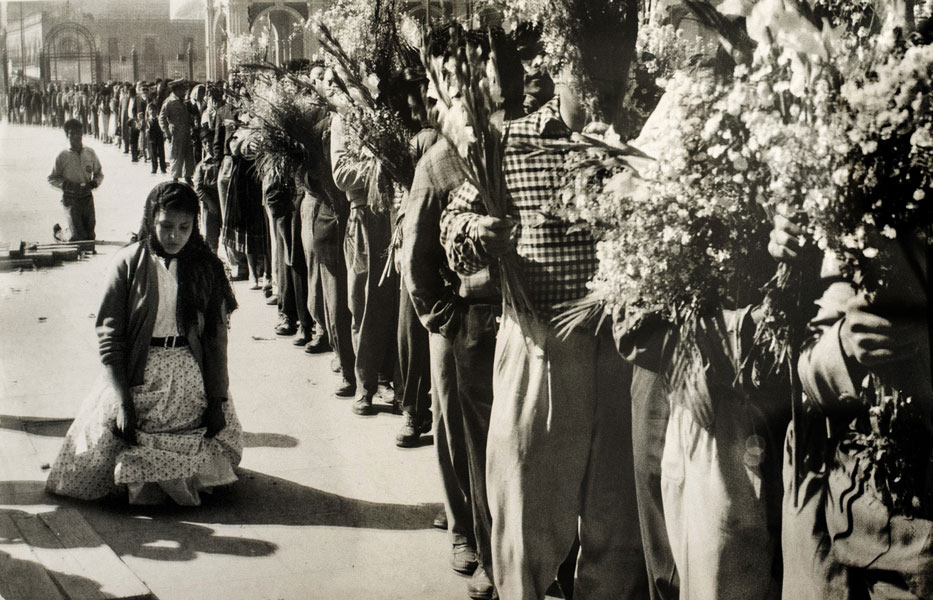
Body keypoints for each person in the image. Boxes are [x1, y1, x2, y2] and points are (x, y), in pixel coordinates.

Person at [46, 182, 242, 506]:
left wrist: (218, 398)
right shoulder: (127, 263)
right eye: (166, 226)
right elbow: (110, 335)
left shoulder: (205, 267)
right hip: (138, 373)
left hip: (190, 374)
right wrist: (123, 400)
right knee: (102, 449)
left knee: (211, 437)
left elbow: (215, 339)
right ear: (151, 219)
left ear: (195, 226)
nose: (174, 236)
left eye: (184, 227)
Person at [48, 118, 104, 242]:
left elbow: (99, 173)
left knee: (90, 236)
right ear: (67, 135)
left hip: (86, 198)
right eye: (72, 133)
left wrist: (94, 183)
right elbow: (51, 178)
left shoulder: (90, 153)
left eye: (79, 133)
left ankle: (74, 228)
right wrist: (67, 185)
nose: (76, 136)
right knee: (78, 237)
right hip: (71, 200)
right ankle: (59, 232)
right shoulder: (62, 155)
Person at [160, 79, 195, 184]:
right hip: (175, 132)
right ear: (176, 90)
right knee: (176, 155)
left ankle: (188, 176)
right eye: (182, 90)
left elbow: (188, 116)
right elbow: (161, 118)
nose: (184, 92)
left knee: (188, 155)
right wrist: (166, 132)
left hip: (186, 131)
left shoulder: (184, 101)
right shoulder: (169, 102)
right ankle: (175, 177)